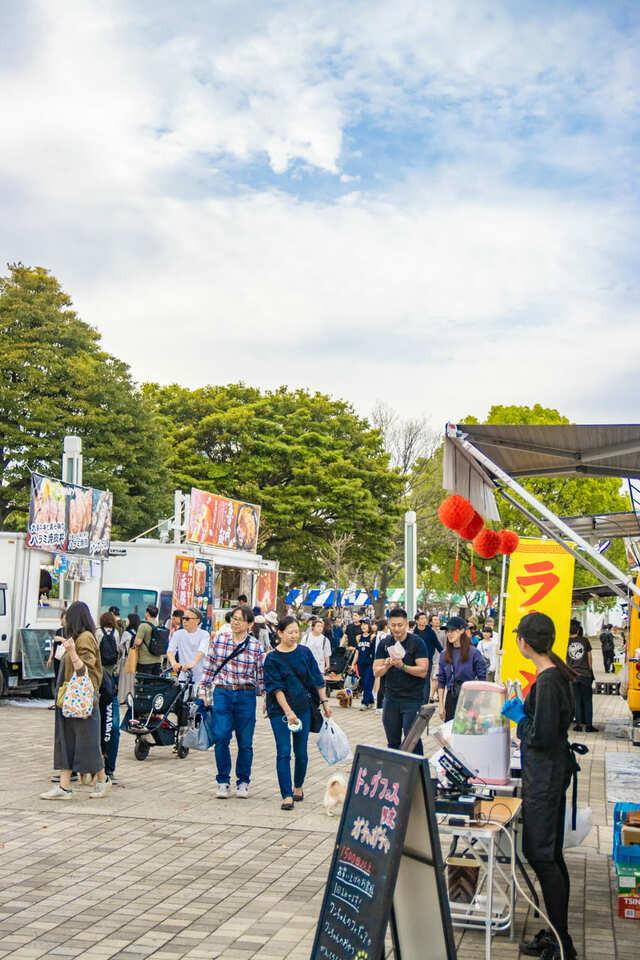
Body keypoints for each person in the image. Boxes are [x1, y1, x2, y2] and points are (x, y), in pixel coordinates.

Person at [501, 613, 578, 960]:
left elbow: (542, 737)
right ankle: (558, 933)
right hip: (547, 773)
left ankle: (562, 944)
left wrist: (521, 720)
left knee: (542, 856)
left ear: (525, 643)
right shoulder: (552, 674)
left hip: (545, 777)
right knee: (549, 856)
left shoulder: (548, 681)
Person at [40, 601, 111, 800]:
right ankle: (64, 787)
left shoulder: (85, 639)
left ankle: (102, 779)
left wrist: (71, 652)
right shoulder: (79, 637)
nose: (63, 622)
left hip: (82, 700)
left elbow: (85, 671)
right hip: (71, 699)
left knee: (86, 742)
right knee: (67, 741)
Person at [263, 615, 332, 809]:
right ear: (280, 633)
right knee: (284, 751)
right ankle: (286, 795)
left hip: (303, 707)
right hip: (279, 710)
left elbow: (317, 679)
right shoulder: (272, 658)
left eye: (297, 632)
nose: (294, 635)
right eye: (290, 632)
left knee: (301, 752)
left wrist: (325, 702)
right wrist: (288, 712)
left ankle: (298, 786)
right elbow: (276, 689)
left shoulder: (304, 653)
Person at [202, 605, 264, 799]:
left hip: (246, 694)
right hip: (222, 692)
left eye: (240, 619)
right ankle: (222, 781)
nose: (235, 622)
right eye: (234, 618)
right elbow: (210, 666)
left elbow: (261, 676)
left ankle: (243, 781)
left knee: (245, 741)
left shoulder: (256, 646)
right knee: (221, 736)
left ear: (249, 624)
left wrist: (267, 699)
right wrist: (203, 691)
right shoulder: (220, 640)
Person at [373, 608, 429, 754]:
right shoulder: (385, 643)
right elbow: (376, 671)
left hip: (412, 699)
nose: (396, 629)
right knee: (393, 741)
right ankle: (396, 773)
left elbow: (423, 671)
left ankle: (418, 773)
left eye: (400, 625)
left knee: (412, 739)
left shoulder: (417, 643)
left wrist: (402, 666)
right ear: (389, 625)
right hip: (391, 698)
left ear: (406, 624)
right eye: (393, 625)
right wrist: (387, 664)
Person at [437, 616, 487, 722]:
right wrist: (441, 705)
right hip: (451, 697)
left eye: (452, 631)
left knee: (468, 732)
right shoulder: (444, 654)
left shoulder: (474, 653)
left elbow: (482, 678)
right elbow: (441, 680)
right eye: (447, 631)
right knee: (451, 733)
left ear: (462, 630)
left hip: (469, 697)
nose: (449, 634)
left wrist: (479, 699)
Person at [96, 612, 121, 782]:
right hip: (111, 678)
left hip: (100, 678)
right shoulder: (116, 633)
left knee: (102, 725)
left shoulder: (97, 633)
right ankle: (109, 768)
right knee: (111, 726)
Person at [566, 619, 596, 732]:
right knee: (587, 700)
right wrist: (589, 669)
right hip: (584, 675)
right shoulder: (585, 641)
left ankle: (578, 725)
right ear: (578, 630)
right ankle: (588, 725)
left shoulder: (566, 642)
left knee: (576, 700)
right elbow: (589, 657)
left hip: (572, 675)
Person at [167, 608, 210, 684]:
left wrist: (192, 664)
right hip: (184, 675)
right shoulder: (178, 634)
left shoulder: (204, 634)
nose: (184, 621)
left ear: (197, 621)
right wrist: (173, 663)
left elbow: (201, 651)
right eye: (183, 618)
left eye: (187, 619)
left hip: (200, 677)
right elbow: (170, 650)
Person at [413, 611, 443, 691]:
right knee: (417, 680)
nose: (424, 620)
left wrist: (444, 654)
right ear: (417, 621)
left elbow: (437, 644)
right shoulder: (414, 632)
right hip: (416, 660)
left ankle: (425, 701)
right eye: (422, 619)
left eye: (425, 618)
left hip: (428, 659)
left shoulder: (430, 631)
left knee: (426, 679)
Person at [353, 619, 376, 710]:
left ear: (369, 626)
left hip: (370, 664)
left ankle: (364, 702)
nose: (363, 626)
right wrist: (353, 664)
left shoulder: (372, 637)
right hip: (361, 664)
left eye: (365, 624)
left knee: (367, 683)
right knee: (363, 683)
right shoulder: (358, 637)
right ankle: (371, 701)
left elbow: (375, 652)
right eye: (362, 624)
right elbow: (357, 652)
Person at [134, 605, 163, 676]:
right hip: (158, 660)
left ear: (147, 613)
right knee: (154, 683)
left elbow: (138, 642)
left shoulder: (143, 626)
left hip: (145, 660)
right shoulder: (160, 625)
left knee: (145, 683)